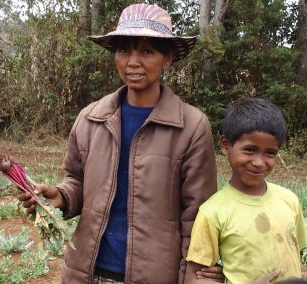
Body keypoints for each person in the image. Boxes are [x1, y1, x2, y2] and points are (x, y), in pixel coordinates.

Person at [18, 3, 222, 284]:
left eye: (147, 51)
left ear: (168, 59)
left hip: (156, 275)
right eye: (124, 50)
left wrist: (193, 277)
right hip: (89, 271)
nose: (132, 61)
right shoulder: (91, 119)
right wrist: (62, 196)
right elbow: (77, 180)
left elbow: (198, 217)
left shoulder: (191, 127)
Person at [185, 98, 307, 284]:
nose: (259, 162)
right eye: (250, 150)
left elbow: (295, 256)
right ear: (226, 145)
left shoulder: (289, 199)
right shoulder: (212, 212)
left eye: (270, 153)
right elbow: (194, 278)